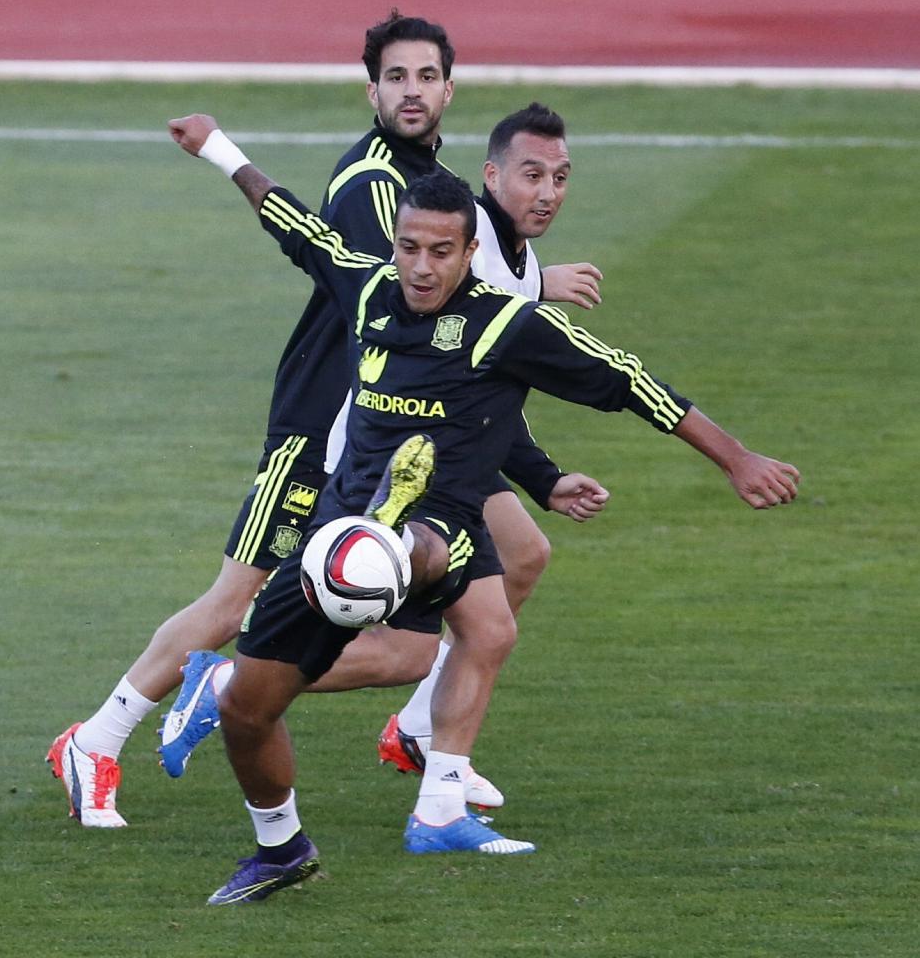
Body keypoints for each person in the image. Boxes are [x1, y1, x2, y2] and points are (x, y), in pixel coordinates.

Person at [168, 113, 798, 903]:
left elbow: (629, 380)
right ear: (394, 243)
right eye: (409, 249)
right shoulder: (366, 289)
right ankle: (282, 847)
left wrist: (737, 458)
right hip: (339, 530)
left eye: (441, 252)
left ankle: (431, 759)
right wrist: (220, 151)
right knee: (250, 714)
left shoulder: (508, 323)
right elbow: (290, 219)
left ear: (472, 253)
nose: (422, 268)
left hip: (446, 530)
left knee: (457, 586)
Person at [167, 103, 612, 796]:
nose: (548, 191)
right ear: (490, 177)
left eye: (560, 177)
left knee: (511, 580)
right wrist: (222, 150)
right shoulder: (467, 252)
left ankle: (428, 757)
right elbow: (310, 238)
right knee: (404, 643)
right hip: (392, 465)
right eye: (532, 175)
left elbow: (489, 403)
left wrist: (544, 479)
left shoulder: (514, 263)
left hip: (442, 453)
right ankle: (232, 687)